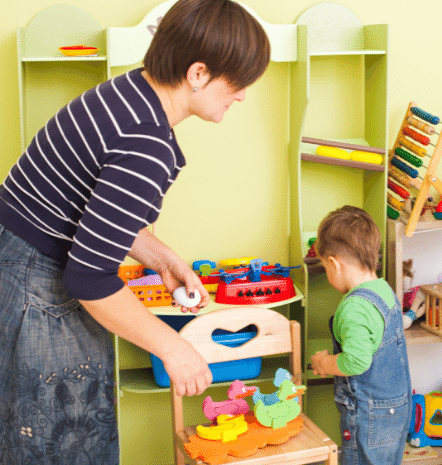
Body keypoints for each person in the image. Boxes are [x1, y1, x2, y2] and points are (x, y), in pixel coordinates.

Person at [0, 0, 270, 463]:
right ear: (199, 73)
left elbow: (86, 211)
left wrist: (160, 256)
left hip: (18, 266)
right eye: (239, 81)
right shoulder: (145, 144)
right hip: (38, 292)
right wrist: (175, 348)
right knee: (66, 444)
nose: (243, 95)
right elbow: (89, 280)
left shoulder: (126, 93)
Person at [310, 206, 412, 465]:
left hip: (370, 413)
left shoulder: (354, 308)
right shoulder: (384, 289)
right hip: (398, 405)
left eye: (325, 267)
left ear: (333, 263)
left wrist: (324, 363)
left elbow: (356, 362)